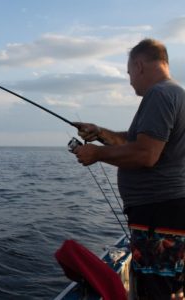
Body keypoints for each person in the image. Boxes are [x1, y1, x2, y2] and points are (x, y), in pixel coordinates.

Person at [73, 38, 185, 299]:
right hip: (166, 211)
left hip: (159, 214)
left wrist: (96, 154)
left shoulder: (160, 94)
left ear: (139, 65)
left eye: (129, 73)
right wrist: (99, 133)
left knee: (156, 290)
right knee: (169, 286)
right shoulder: (175, 93)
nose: (130, 80)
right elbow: (136, 141)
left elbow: (146, 154)